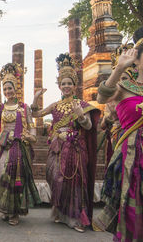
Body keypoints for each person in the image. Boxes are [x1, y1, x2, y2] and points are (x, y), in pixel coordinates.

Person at [31, 53, 100, 233]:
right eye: (64, 84)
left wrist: (79, 115)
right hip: (57, 148)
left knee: (74, 182)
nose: (67, 86)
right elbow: (35, 114)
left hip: (75, 148)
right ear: (60, 86)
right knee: (54, 178)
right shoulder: (54, 105)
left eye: (70, 83)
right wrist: (36, 98)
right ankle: (60, 213)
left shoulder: (81, 104)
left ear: (75, 85)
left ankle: (75, 218)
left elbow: (89, 125)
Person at [93, 27, 143, 242]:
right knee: (133, 209)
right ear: (137, 59)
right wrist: (119, 67)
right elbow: (102, 97)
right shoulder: (124, 86)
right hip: (133, 159)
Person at [0, 63, 41, 225]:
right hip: (5, 147)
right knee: (3, 176)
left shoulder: (23, 108)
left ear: (16, 88)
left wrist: (29, 137)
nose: (7, 92)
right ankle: (6, 208)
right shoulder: (2, 108)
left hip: (19, 148)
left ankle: (15, 213)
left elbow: (32, 128)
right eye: (5, 89)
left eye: (10, 88)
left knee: (17, 178)